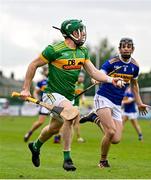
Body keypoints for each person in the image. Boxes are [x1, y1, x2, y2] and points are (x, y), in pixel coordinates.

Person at [20, 19, 123, 171]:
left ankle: (35, 146)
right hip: (52, 95)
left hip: (68, 97)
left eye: (83, 31)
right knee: (71, 115)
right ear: (70, 34)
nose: (82, 34)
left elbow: (94, 72)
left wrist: (110, 79)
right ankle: (67, 159)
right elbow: (33, 65)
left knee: (53, 128)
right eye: (78, 31)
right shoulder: (54, 50)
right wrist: (26, 89)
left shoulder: (83, 52)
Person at [80, 37, 150, 168]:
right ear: (119, 49)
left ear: (133, 49)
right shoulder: (112, 62)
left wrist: (139, 103)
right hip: (103, 97)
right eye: (123, 46)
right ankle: (103, 161)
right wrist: (96, 79)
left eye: (129, 46)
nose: (126, 49)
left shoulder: (134, 66)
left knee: (116, 139)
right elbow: (100, 73)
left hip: (117, 103)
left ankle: (94, 117)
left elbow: (134, 85)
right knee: (111, 132)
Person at [54, 72, 85, 143]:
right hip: (71, 104)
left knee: (75, 122)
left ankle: (59, 136)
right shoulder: (73, 84)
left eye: (82, 77)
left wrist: (83, 99)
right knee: (71, 122)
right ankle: (77, 137)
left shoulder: (82, 85)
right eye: (80, 77)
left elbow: (82, 94)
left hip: (77, 105)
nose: (81, 78)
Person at [24, 66, 49, 142]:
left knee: (60, 120)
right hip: (45, 104)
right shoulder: (41, 82)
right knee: (40, 122)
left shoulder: (57, 80)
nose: (47, 72)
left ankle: (58, 137)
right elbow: (35, 92)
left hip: (56, 103)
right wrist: (37, 99)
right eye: (46, 70)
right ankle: (30, 132)